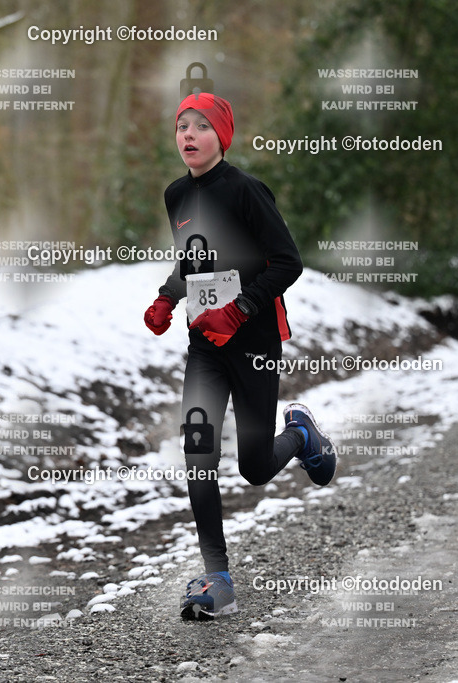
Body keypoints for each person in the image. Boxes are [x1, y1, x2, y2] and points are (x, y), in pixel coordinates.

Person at [143, 92, 337, 620]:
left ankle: (300, 435)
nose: (188, 135)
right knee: (198, 455)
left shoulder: (247, 191)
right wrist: (168, 296)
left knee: (253, 467)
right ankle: (217, 578)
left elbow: (287, 262)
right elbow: (194, 261)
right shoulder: (175, 194)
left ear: (221, 136)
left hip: (253, 343)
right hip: (204, 346)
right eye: (182, 125)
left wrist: (242, 307)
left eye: (201, 127)